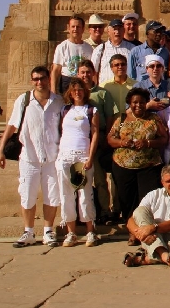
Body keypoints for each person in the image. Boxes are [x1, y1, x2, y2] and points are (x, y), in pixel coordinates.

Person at [0, 66, 65, 248]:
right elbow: (11, 126)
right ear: (31, 81)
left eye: (42, 78)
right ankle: (28, 231)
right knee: (27, 195)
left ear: (48, 78)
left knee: (52, 196)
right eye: (36, 79)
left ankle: (48, 231)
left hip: (52, 157)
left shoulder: (58, 101)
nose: (39, 82)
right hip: (29, 157)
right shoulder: (24, 100)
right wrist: (0, 150)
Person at [107, 87, 169, 243]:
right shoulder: (121, 119)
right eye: (135, 102)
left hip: (148, 166)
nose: (138, 105)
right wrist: (122, 142)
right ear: (129, 103)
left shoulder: (154, 119)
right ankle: (133, 232)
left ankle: (145, 230)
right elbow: (110, 139)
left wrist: (148, 142)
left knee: (145, 200)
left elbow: (164, 139)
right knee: (127, 200)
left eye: (142, 102)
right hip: (123, 166)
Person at [124, 164, 170, 268]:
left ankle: (148, 256)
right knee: (140, 211)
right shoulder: (153, 194)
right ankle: (166, 257)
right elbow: (131, 221)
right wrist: (139, 234)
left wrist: (152, 228)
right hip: (153, 236)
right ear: (162, 182)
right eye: (168, 181)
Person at [55, 77, 100, 247]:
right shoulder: (65, 110)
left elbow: (95, 134)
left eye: (80, 89)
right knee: (66, 195)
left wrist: (90, 156)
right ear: (70, 92)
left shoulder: (91, 110)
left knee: (85, 195)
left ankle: (90, 231)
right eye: (74, 90)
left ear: (85, 91)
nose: (77, 92)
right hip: (65, 155)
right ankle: (71, 232)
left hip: (83, 155)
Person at [51, 16, 93, 94]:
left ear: (83, 29)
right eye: (73, 26)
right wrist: (53, 90)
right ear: (68, 28)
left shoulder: (88, 48)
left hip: (83, 82)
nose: (75, 29)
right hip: (67, 83)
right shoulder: (62, 47)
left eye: (78, 27)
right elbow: (56, 70)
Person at [91, 18, 135, 85]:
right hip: (106, 90)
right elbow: (94, 72)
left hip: (126, 89)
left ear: (123, 31)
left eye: (119, 29)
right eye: (115, 29)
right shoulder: (100, 49)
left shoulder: (132, 49)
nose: (117, 32)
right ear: (108, 31)